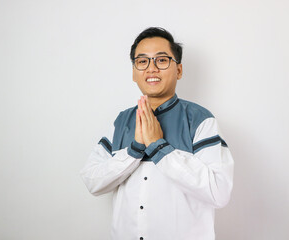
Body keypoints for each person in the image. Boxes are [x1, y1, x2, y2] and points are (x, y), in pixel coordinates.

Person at [80, 27, 234, 240]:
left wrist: (159, 147)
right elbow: (92, 181)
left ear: (179, 70)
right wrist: (134, 150)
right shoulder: (121, 122)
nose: (151, 68)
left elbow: (219, 192)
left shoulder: (200, 120)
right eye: (142, 61)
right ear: (134, 72)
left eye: (161, 60)